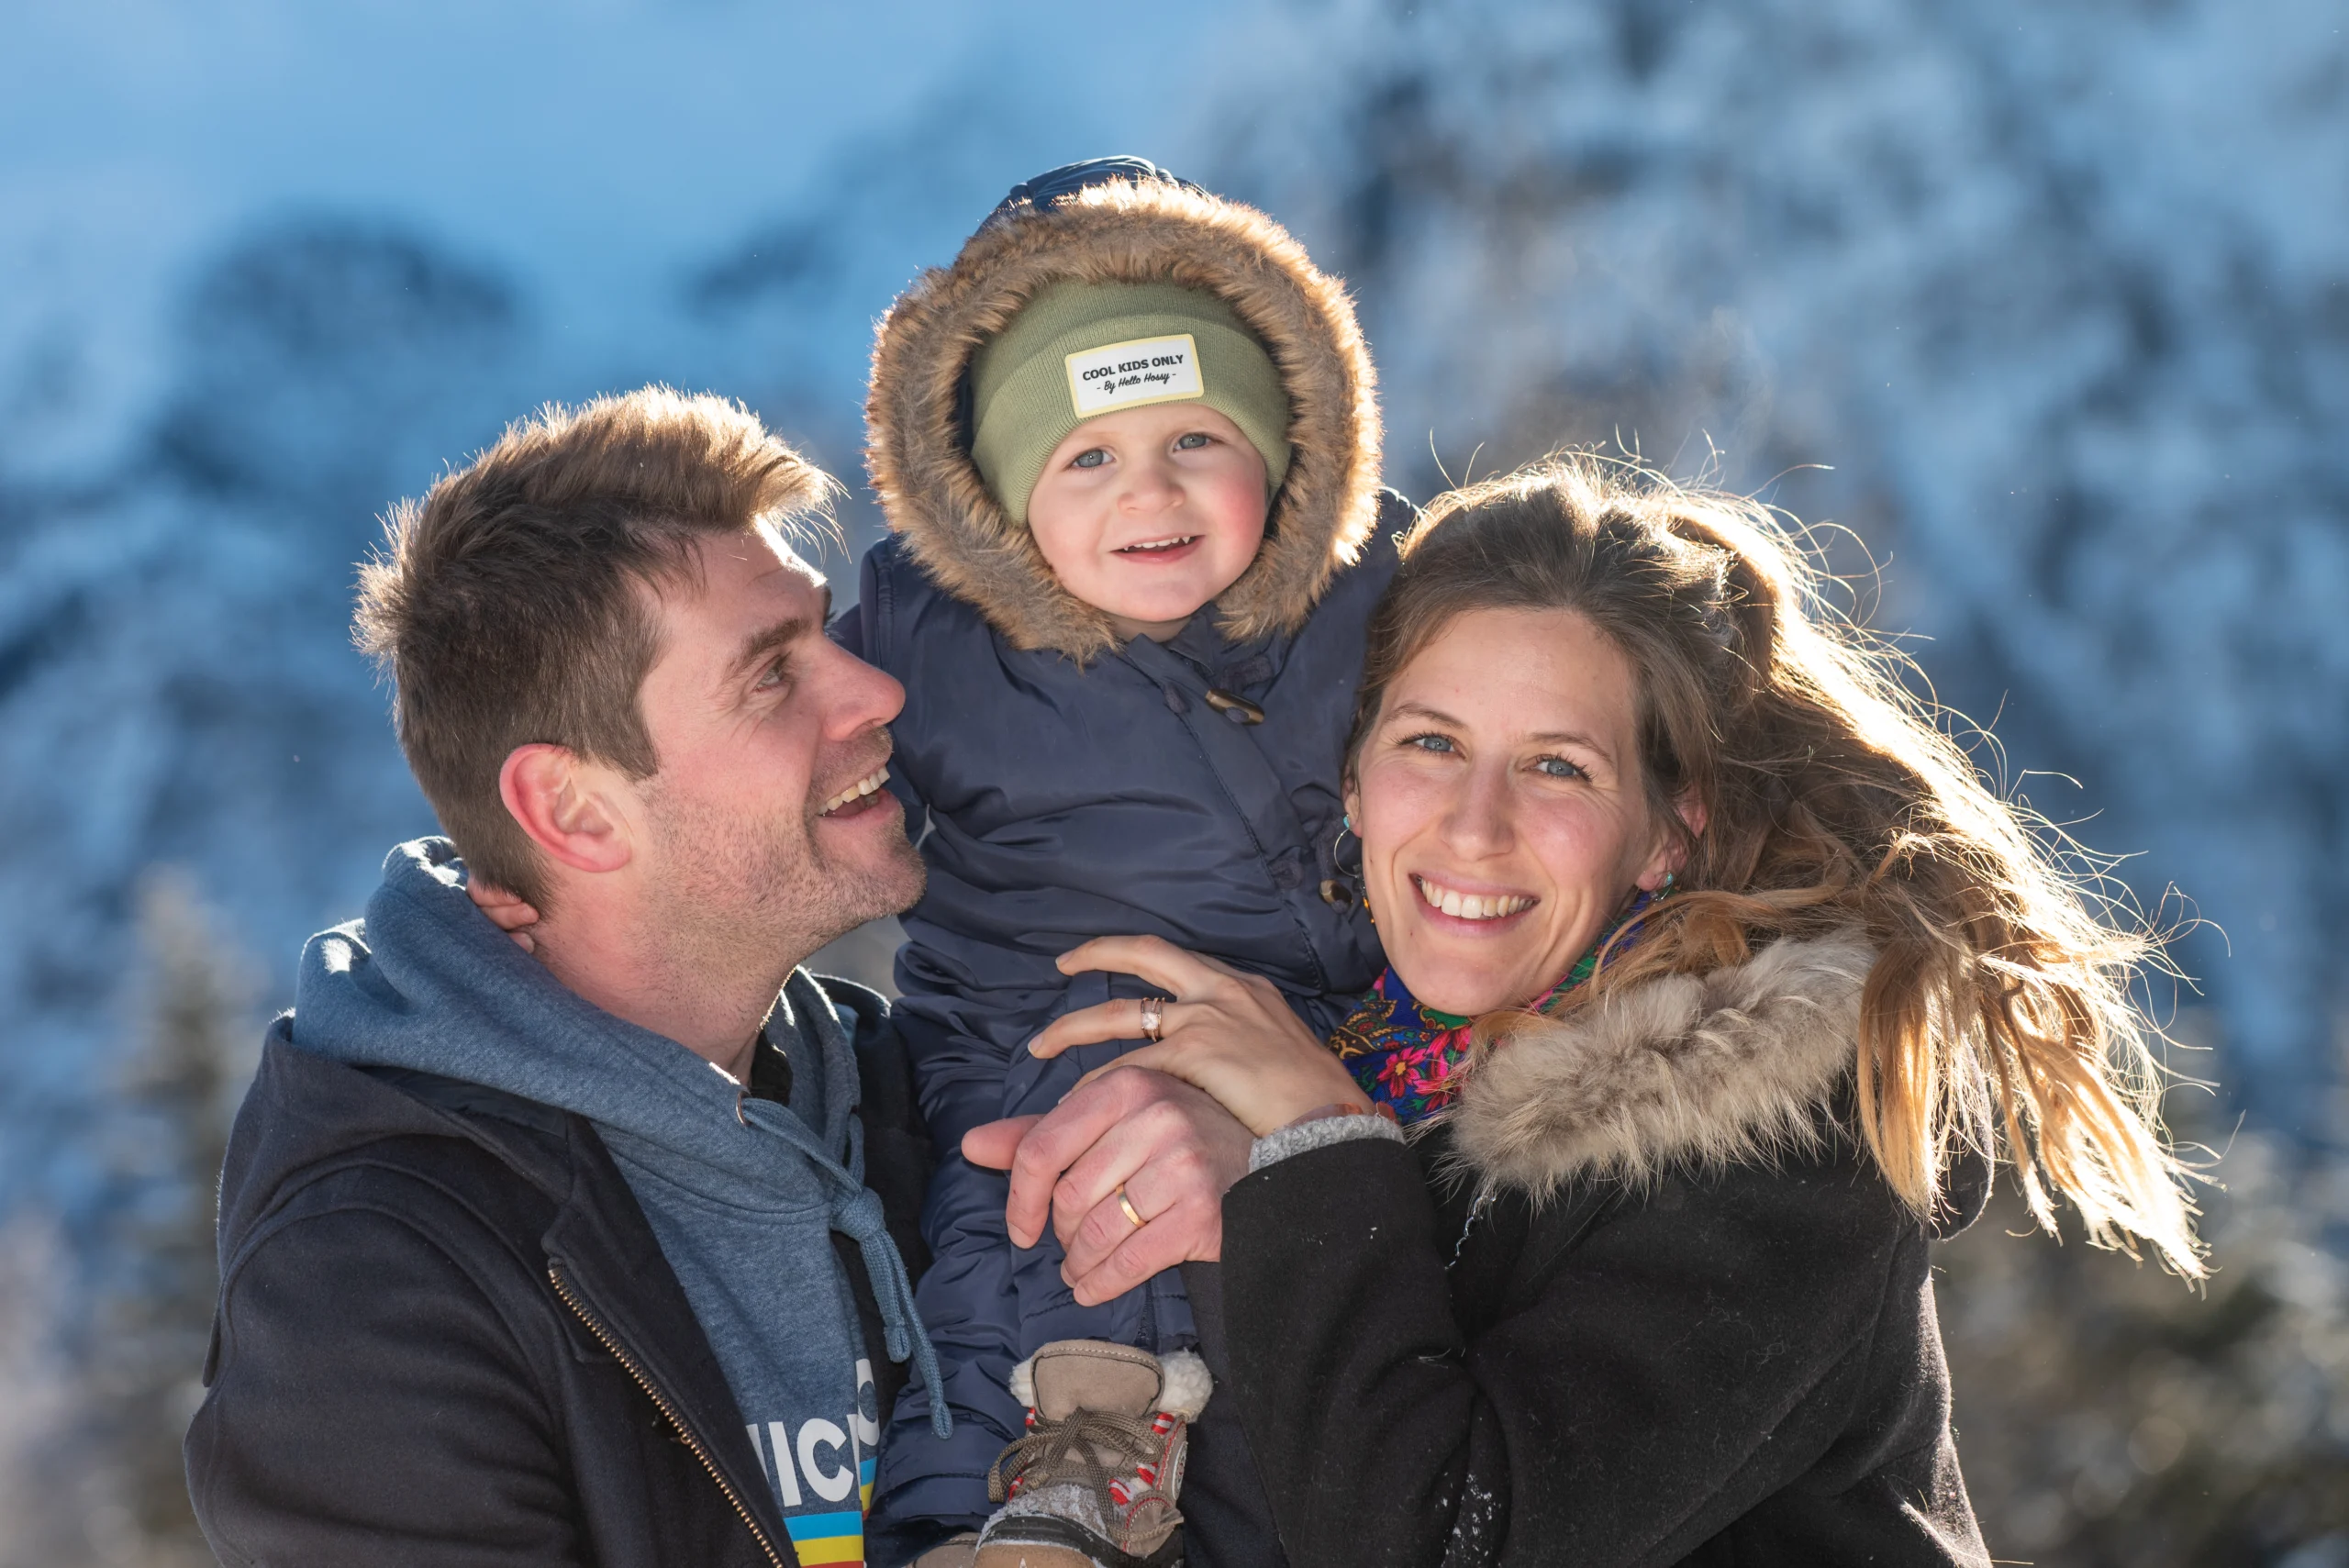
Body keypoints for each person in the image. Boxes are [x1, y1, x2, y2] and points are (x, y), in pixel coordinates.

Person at [974, 458, 2203, 1566]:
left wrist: (1311, 1142)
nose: (1473, 824)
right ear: (1351, 778)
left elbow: (1440, 1537)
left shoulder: (1777, 1142)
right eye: (1431, 742)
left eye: (1559, 765)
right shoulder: (1366, 1056)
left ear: (1672, 830)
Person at [184, 388, 951, 1568]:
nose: (872, 692)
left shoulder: (920, 1107)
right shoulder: (374, 1282)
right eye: (770, 674)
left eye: (827, 633)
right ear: (574, 809)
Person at [836, 155, 1404, 1566]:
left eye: (1195, 441)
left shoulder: (1380, 596)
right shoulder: (934, 644)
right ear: (999, 507)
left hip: (1334, 1029)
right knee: (1025, 1213)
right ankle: (1018, 1505)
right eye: (1085, 458)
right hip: (1036, 1018)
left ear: (1286, 450)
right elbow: (778, 750)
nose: (1147, 494)